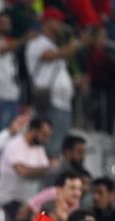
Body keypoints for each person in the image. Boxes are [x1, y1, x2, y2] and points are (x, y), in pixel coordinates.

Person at [25, 7, 78, 157]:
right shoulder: (37, 42)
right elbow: (52, 56)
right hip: (50, 101)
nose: (61, 24)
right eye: (58, 21)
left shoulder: (52, 44)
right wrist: (77, 44)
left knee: (59, 146)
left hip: (63, 102)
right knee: (51, 145)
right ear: (47, 22)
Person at [0, 117, 52, 221]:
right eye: (44, 135)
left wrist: (50, 169)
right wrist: (50, 168)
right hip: (9, 202)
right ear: (34, 131)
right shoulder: (15, 145)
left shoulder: (39, 148)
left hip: (28, 203)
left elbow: (46, 170)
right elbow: (22, 171)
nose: (46, 139)